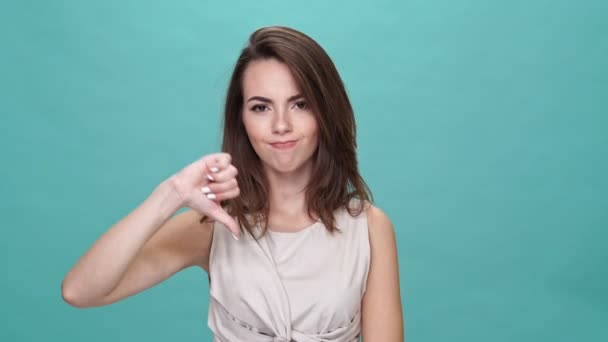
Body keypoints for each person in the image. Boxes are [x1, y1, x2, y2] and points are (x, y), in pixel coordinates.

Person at [61, 26, 404, 342]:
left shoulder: (369, 228)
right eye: (261, 107)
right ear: (241, 120)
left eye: (300, 104)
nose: (281, 125)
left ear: (325, 112)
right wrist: (171, 194)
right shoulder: (214, 226)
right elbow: (80, 291)